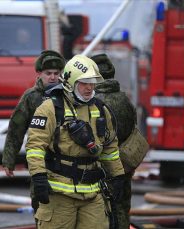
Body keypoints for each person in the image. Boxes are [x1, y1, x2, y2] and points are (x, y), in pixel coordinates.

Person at [25, 54, 125, 229]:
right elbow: (35, 146)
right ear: (70, 82)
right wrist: (39, 177)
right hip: (59, 194)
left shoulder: (100, 110)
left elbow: (110, 148)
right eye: (84, 83)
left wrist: (117, 176)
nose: (89, 88)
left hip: (92, 194)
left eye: (92, 83)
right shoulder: (50, 109)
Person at [1, 50, 66, 216]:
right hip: (40, 161)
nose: (52, 77)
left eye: (56, 73)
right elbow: (16, 128)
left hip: (65, 161)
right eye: (48, 73)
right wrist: (9, 160)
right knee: (40, 204)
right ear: (39, 73)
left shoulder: (68, 95)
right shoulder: (31, 97)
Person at [92, 53, 149, 229]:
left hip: (101, 170)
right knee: (122, 208)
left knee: (100, 213)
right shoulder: (125, 100)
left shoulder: (93, 103)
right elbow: (133, 128)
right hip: (125, 165)